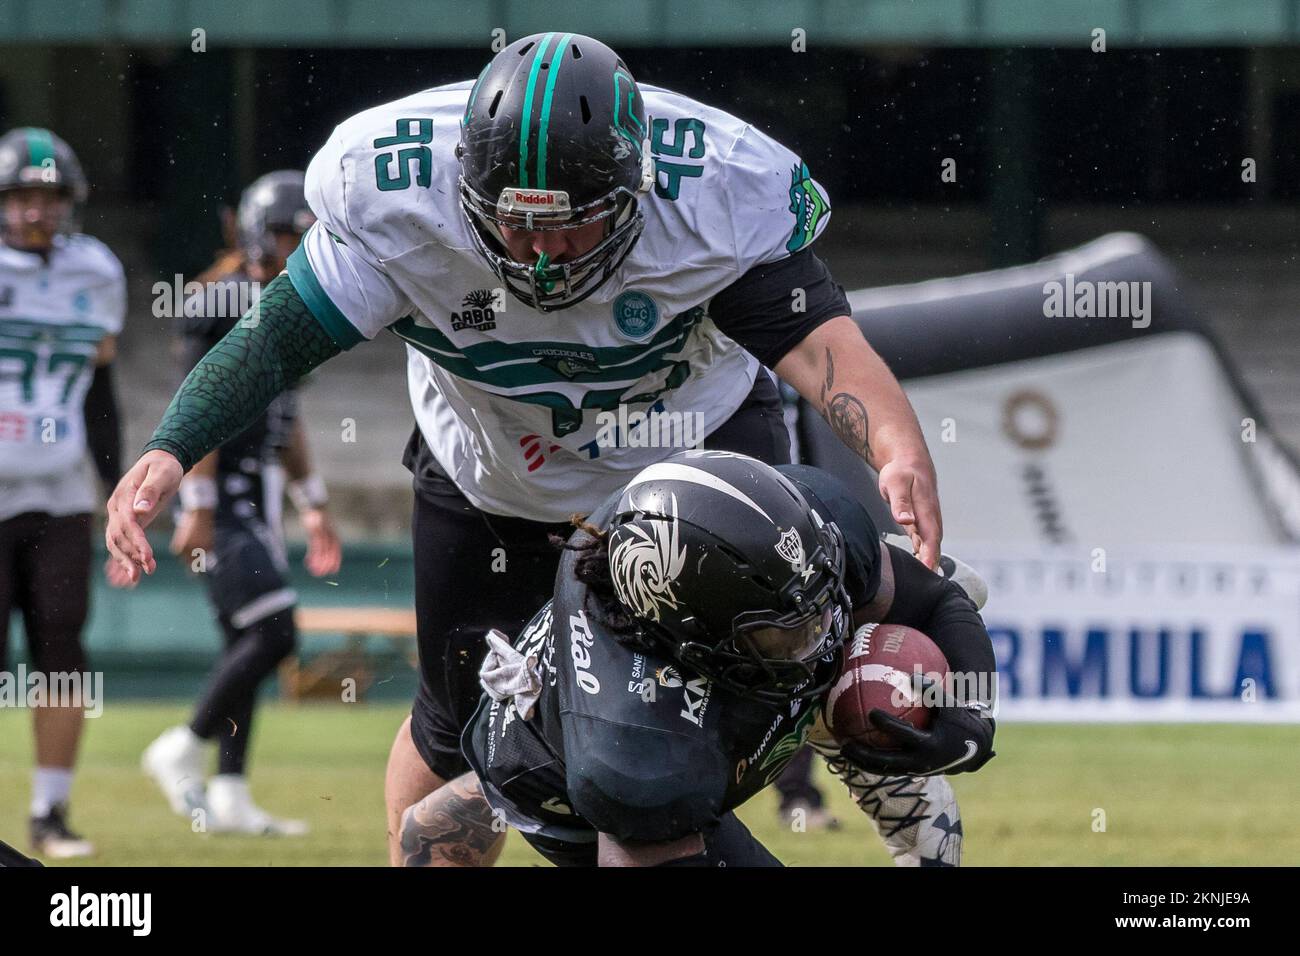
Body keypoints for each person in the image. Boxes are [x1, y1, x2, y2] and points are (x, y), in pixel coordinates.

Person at [104, 33, 946, 865]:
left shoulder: (714, 191)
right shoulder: (399, 189)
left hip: (687, 466)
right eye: (515, 223)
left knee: (763, 663)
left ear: (632, 193)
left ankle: (871, 746)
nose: (542, 257)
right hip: (488, 469)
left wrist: (896, 443)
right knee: (452, 729)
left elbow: (818, 340)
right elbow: (275, 338)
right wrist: (173, 448)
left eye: (572, 227)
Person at [400, 451, 996, 866]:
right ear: (689, 639)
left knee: (956, 588)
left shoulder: (811, 526)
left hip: (686, 714)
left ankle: (852, 734)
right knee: (532, 795)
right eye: (782, 633)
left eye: (819, 608)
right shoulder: (635, 749)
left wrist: (969, 712)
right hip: (566, 781)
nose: (824, 640)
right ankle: (455, 819)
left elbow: (940, 597)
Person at [139, 171, 341, 835]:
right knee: (275, 631)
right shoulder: (225, 300)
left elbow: (288, 417)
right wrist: (195, 504)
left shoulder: (288, 304)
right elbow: (202, 404)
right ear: (257, 233)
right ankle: (182, 746)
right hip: (220, 491)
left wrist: (313, 501)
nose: (295, 247)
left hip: (255, 488)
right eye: (286, 233)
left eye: (304, 236)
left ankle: (228, 794)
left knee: (243, 640)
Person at [0, 127, 124, 858]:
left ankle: (49, 812)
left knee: (62, 650)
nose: (32, 212)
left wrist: (117, 490)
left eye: (45, 197)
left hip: (60, 492)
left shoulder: (96, 271)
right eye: (19, 197)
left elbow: (100, 389)